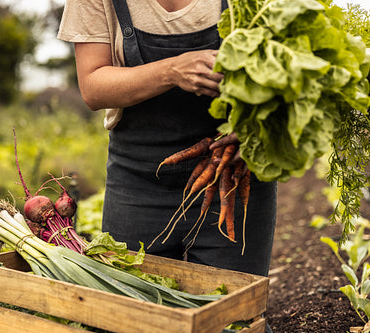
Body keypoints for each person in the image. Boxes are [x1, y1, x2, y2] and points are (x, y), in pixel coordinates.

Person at [58, 0, 276, 284]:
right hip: (137, 183)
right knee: (135, 316)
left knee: (231, 319)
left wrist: (260, 121)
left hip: (232, 176)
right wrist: (172, 71)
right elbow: (93, 86)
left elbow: (293, 64)